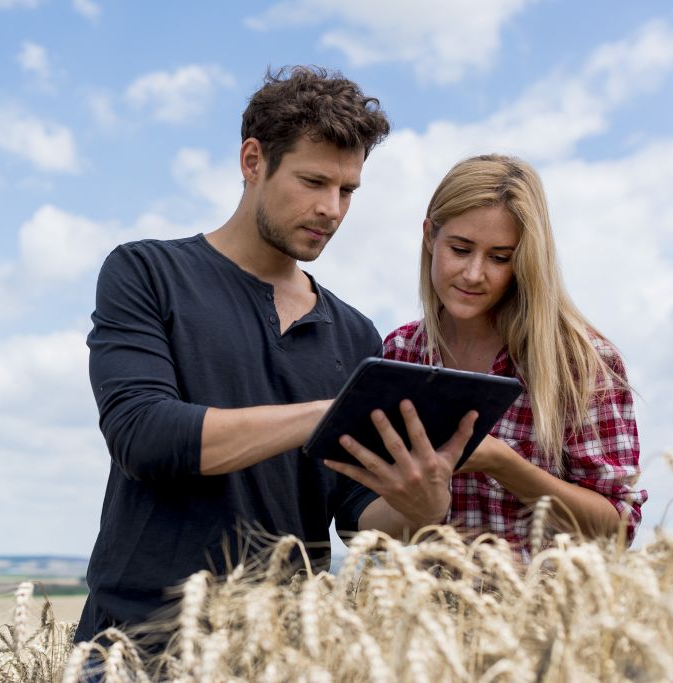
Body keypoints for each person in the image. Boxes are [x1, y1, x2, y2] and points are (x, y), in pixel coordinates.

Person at [75, 66, 480, 653]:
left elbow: (356, 512)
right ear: (252, 160)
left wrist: (420, 507)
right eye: (312, 181)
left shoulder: (356, 335)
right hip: (132, 649)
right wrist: (324, 414)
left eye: (347, 191)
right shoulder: (146, 273)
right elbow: (143, 435)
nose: (332, 209)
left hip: (283, 653)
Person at [356, 154, 647, 550]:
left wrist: (499, 461)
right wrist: (422, 505)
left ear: (525, 260)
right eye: (460, 249)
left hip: (548, 611)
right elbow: (364, 526)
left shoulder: (581, 362)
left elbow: (616, 531)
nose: (474, 274)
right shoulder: (401, 353)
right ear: (429, 236)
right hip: (427, 610)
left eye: (499, 258)